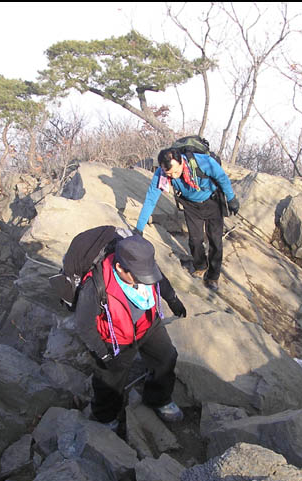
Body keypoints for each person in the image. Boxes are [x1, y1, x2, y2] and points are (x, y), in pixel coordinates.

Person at [75, 233, 188, 428]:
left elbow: (160, 279)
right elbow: (84, 326)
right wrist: (103, 354)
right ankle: (106, 417)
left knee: (167, 357)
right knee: (110, 381)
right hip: (115, 339)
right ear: (119, 267)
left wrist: (173, 300)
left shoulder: (142, 266)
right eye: (139, 278)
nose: (145, 281)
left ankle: (159, 398)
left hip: (148, 324)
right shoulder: (95, 286)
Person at [136, 147, 240, 292]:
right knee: (195, 239)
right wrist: (139, 228)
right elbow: (151, 199)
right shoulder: (162, 174)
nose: (174, 176)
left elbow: (222, 178)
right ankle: (200, 266)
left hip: (213, 202)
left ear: (181, 161)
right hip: (190, 205)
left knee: (215, 241)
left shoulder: (203, 162)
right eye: (169, 174)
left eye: (176, 172)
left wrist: (232, 199)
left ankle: (213, 276)